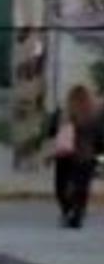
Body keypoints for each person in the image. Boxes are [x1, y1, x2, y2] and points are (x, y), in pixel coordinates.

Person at [52, 84, 103, 228]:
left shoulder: (63, 112)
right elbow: (100, 136)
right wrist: (99, 157)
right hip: (86, 156)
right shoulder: (95, 114)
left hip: (64, 154)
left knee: (61, 186)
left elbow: (52, 131)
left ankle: (67, 210)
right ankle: (78, 215)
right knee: (82, 187)